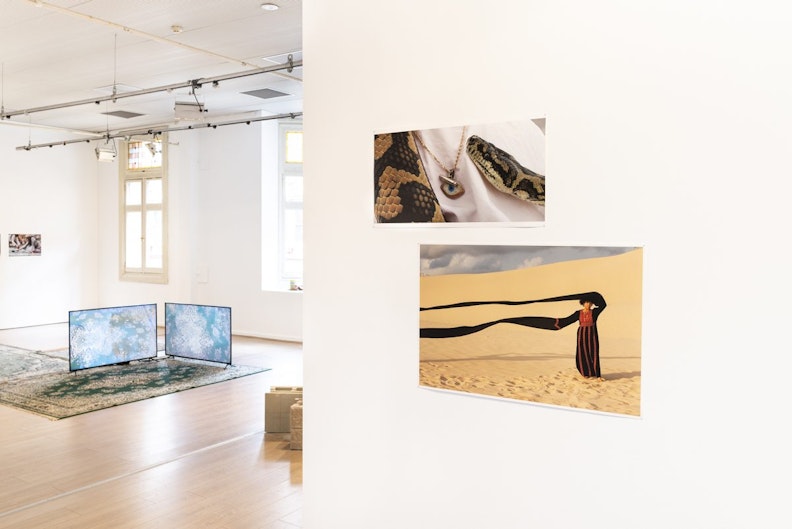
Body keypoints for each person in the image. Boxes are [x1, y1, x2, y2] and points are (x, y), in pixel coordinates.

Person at [420, 291, 607, 379]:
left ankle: (594, 374)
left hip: (592, 334)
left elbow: (603, 304)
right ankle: (585, 374)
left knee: (593, 353)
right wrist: (553, 324)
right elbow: (564, 321)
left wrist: (596, 296)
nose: (588, 306)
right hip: (582, 334)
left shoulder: (595, 312)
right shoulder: (577, 314)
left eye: (590, 303)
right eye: (586, 303)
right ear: (583, 304)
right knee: (583, 354)